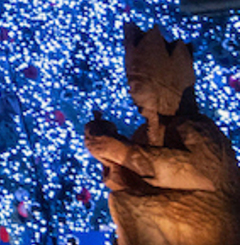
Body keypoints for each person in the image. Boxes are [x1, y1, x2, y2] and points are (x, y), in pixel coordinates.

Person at [84, 24, 240, 245]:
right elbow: (128, 185)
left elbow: (199, 173)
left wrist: (123, 153)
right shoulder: (142, 134)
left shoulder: (196, 127)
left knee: (137, 207)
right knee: (122, 201)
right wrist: (109, 159)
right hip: (167, 220)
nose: (133, 92)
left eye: (138, 84)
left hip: (207, 219)